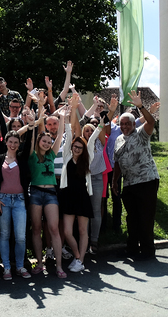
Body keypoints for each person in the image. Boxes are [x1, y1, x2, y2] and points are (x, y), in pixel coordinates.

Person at [112, 90, 158, 260]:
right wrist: (114, 181)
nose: (124, 126)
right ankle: (132, 248)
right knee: (132, 218)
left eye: (127, 124)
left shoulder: (141, 134)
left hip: (147, 181)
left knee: (146, 217)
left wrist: (140, 106)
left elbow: (151, 121)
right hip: (129, 184)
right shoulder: (118, 140)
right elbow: (117, 162)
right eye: (122, 124)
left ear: (133, 124)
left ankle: (147, 251)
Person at [60, 94, 102, 273]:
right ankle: (77, 255)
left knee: (83, 231)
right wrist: (70, 112)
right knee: (68, 232)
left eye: (80, 147)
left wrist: (104, 119)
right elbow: (69, 132)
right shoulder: (67, 157)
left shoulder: (88, 158)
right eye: (75, 146)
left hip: (83, 197)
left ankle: (80, 260)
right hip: (68, 197)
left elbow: (92, 139)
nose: (77, 148)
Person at [0, 131, 31, 280]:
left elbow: (29, 145)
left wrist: (31, 126)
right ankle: (7, 267)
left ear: (19, 144)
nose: (13, 145)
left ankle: (20, 266)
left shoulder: (22, 159)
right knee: (4, 235)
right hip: (3, 200)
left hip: (20, 200)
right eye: (10, 142)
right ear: (6, 142)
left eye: (16, 142)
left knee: (20, 236)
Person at [28, 127, 67, 278]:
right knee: (37, 228)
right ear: (38, 142)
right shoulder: (32, 155)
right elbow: (31, 140)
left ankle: (59, 266)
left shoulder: (51, 154)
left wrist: (63, 118)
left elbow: (59, 137)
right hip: (36, 192)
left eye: (48, 142)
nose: (46, 144)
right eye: (43, 141)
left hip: (51, 193)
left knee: (54, 228)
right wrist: (34, 124)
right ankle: (39, 263)